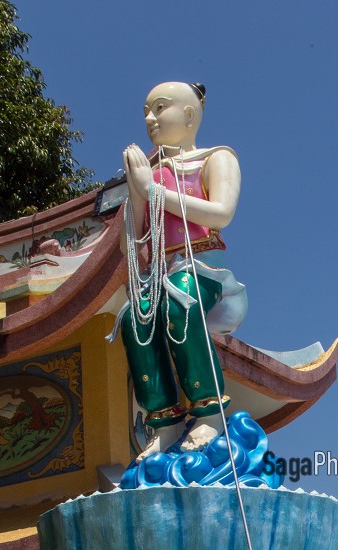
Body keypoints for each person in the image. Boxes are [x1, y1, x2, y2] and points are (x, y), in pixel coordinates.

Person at [118, 81, 247, 458]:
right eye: (145, 110)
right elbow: (139, 231)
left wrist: (152, 188)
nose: (149, 118)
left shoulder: (216, 158)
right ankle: (164, 420)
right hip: (161, 270)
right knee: (134, 320)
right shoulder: (150, 169)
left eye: (159, 108)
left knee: (181, 304)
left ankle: (209, 410)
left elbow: (222, 213)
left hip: (203, 267)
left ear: (189, 114)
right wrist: (137, 188)